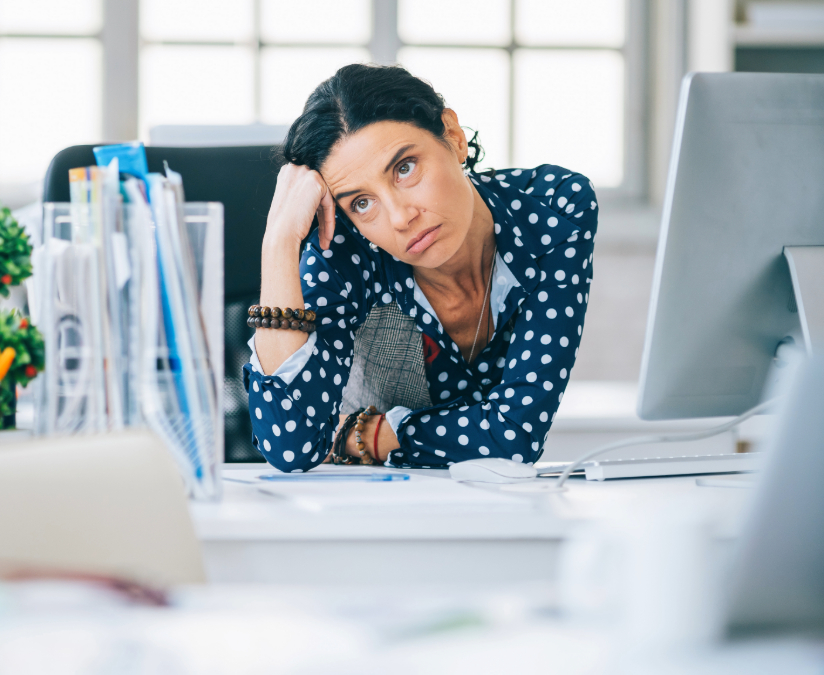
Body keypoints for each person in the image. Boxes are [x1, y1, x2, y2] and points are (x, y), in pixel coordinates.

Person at [245, 63, 598, 471]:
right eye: (362, 202)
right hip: (375, 507)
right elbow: (290, 443)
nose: (399, 217)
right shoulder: (344, 250)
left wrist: (364, 436)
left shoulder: (554, 210)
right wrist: (278, 243)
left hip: (499, 506)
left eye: (405, 168)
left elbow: (515, 437)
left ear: (453, 136)